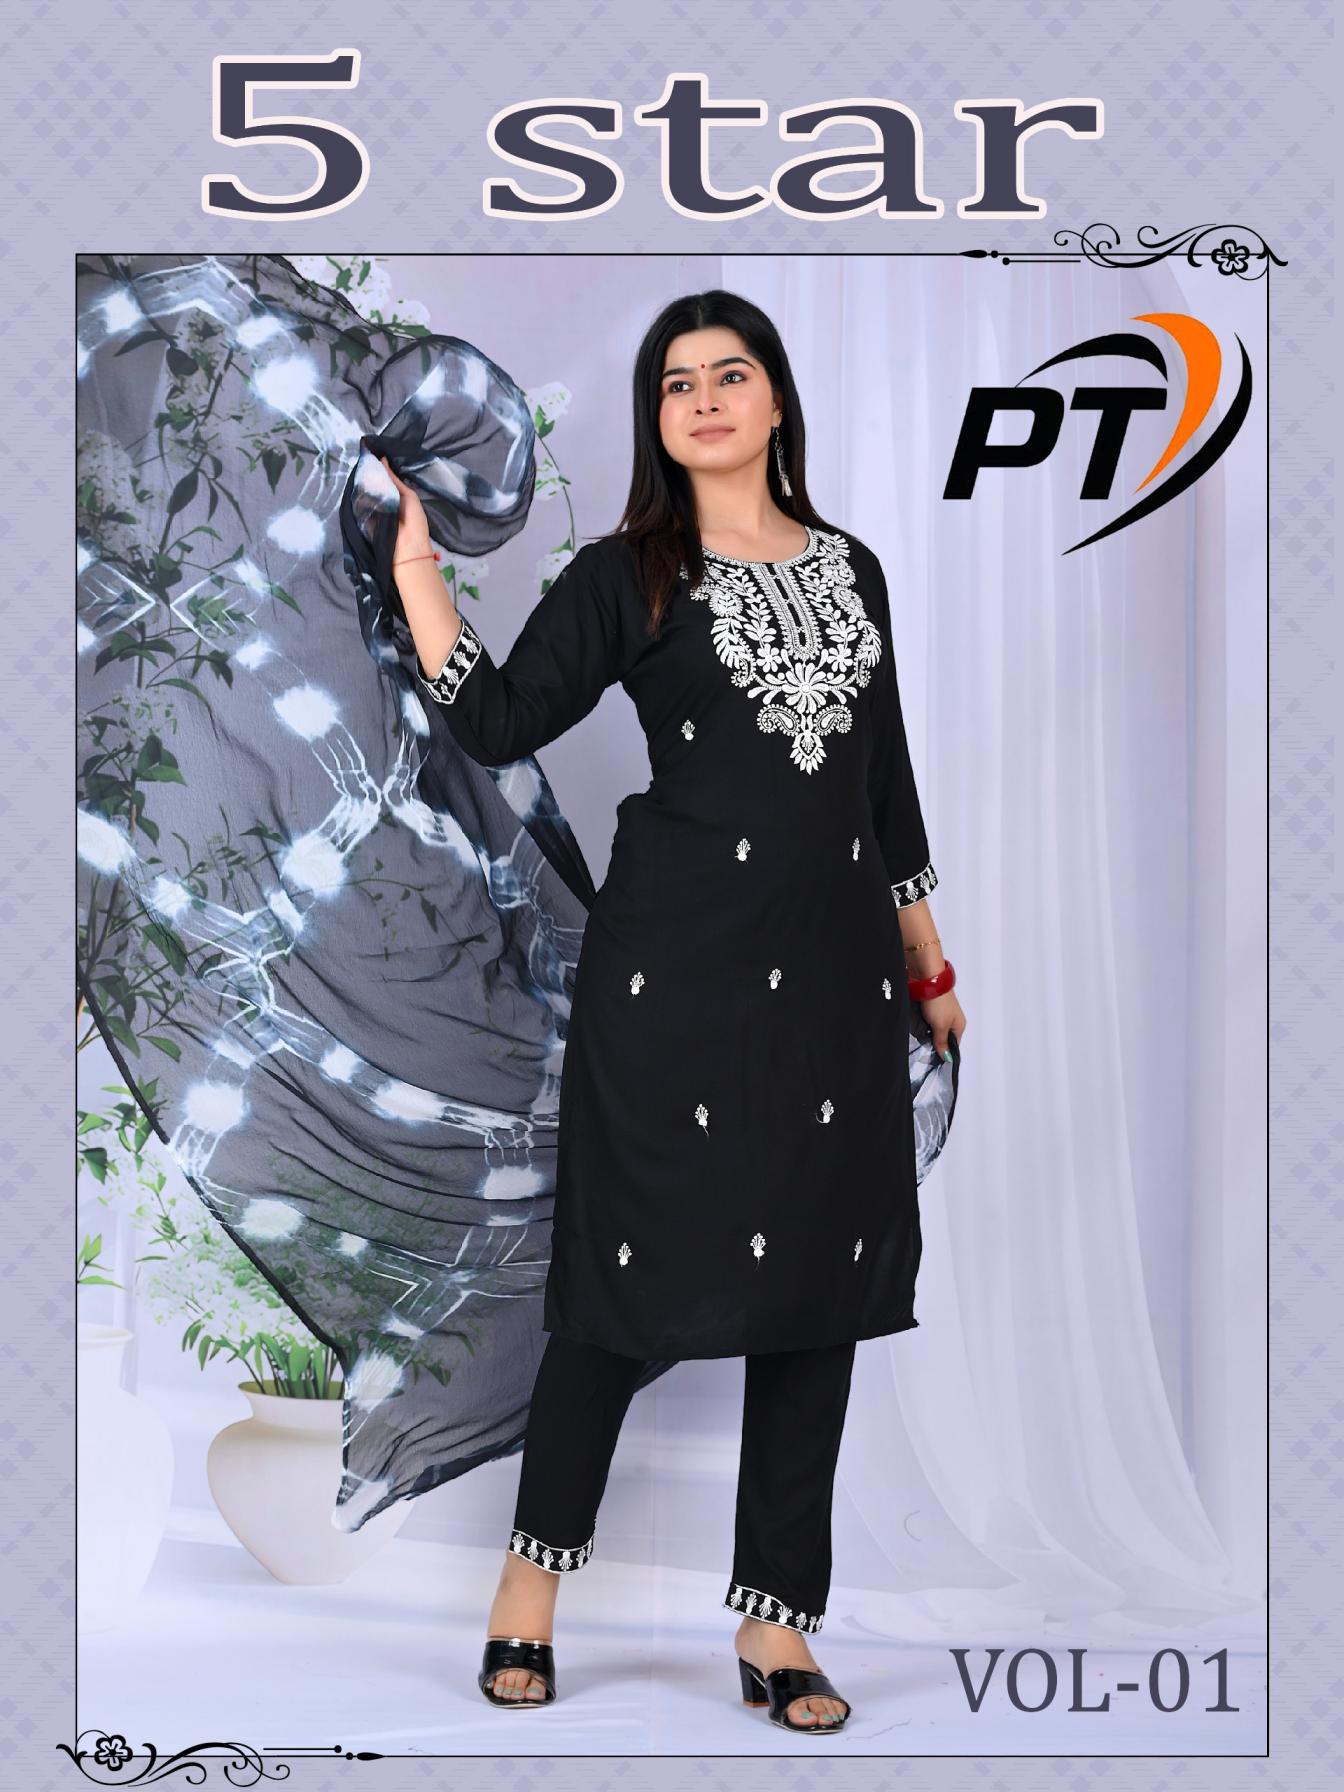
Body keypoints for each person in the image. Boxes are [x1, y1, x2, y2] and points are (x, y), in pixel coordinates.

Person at [378, 288, 966, 1733]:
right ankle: (528, 1593)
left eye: (730, 374)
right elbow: (503, 721)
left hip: (835, 975)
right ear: (659, 418)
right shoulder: (629, 573)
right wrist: (419, 575)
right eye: (676, 383)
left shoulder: (854, 569)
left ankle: (778, 1625)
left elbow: (880, 775)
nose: (703, 399)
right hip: (673, 975)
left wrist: (927, 955)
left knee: (819, 1285)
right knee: (619, 1284)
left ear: (775, 400)